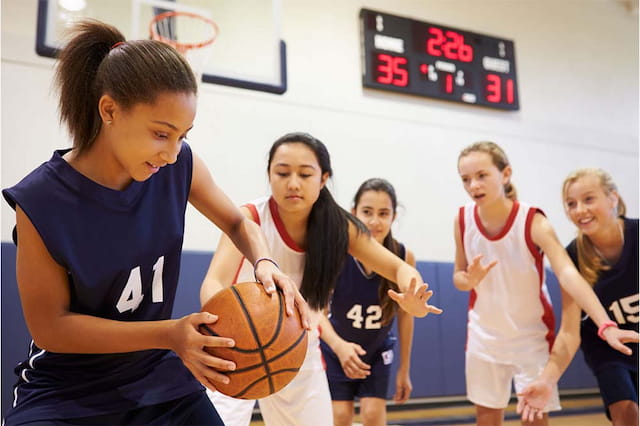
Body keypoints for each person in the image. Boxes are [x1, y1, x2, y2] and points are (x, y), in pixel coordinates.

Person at [1, 20, 307, 426]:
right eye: (162, 134)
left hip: (155, 377)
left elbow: (240, 223)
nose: (172, 150)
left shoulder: (180, 165)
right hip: (65, 389)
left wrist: (265, 263)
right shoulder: (41, 199)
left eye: (183, 135)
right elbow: (51, 328)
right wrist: (168, 334)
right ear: (109, 110)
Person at [200, 132, 442, 426]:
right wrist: (227, 326)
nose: (293, 183)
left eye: (305, 174)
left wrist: (413, 292)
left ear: (323, 178)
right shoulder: (249, 218)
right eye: (282, 172)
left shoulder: (338, 226)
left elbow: (399, 268)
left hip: (297, 348)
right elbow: (214, 282)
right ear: (269, 175)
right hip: (237, 347)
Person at [453, 142, 636, 426]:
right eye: (465, 179)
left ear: (505, 174)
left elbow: (567, 275)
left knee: (535, 419)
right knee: (487, 420)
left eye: (481, 175)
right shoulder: (463, 219)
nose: (473, 185)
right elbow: (458, 277)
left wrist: (605, 323)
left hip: (531, 338)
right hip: (484, 337)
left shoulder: (532, 221)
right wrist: (468, 280)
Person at [517, 168, 638, 426]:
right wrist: (547, 380)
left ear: (613, 198)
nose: (579, 210)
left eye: (589, 199)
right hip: (607, 349)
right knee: (626, 413)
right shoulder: (572, 257)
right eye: (571, 204)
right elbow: (570, 331)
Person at [319, 178, 415, 426]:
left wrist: (404, 369)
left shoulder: (403, 256)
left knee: (373, 415)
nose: (375, 221)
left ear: (394, 216)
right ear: (353, 214)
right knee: (340, 417)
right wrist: (338, 346)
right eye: (367, 212)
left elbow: (406, 315)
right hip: (337, 349)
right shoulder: (338, 253)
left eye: (384, 213)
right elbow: (316, 310)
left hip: (377, 351)